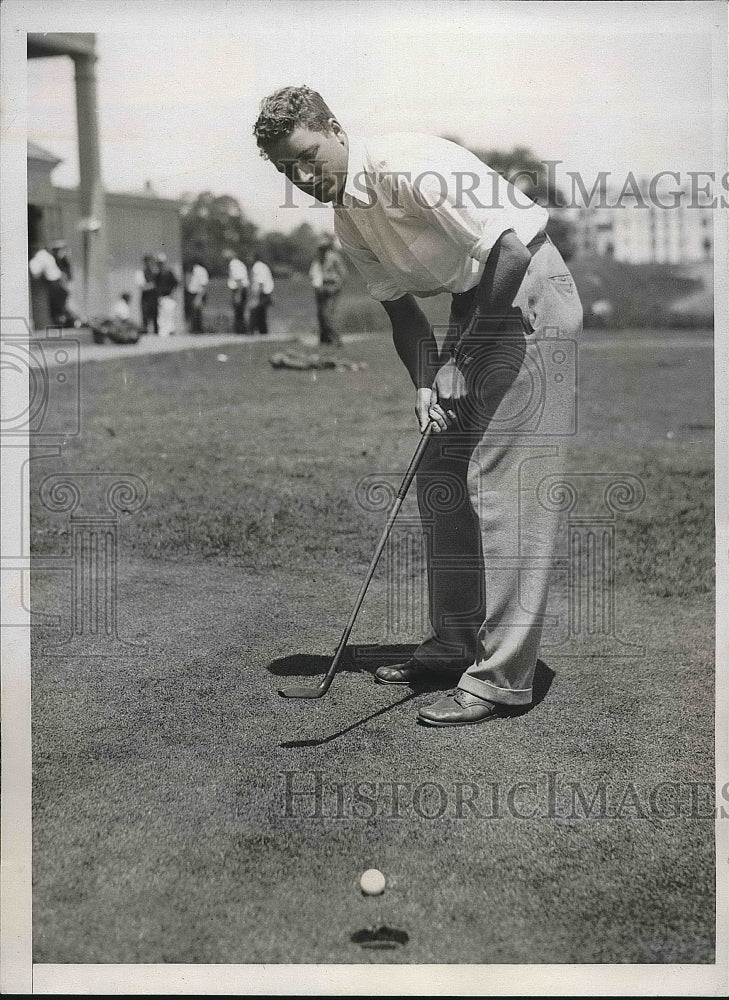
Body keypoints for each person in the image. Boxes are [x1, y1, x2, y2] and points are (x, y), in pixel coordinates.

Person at [254, 86, 583, 728]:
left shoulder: (406, 166)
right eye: (283, 169)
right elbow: (402, 313)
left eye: (306, 156)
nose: (300, 176)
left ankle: (503, 677)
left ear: (334, 129)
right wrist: (427, 379)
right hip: (481, 302)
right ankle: (455, 644)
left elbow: (511, 252)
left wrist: (466, 356)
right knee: (438, 476)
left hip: (530, 295)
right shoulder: (347, 217)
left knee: (500, 481)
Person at [309, 234, 347, 345]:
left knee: (327, 314)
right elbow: (314, 274)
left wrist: (336, 288)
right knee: (320, 314)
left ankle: (336, 339)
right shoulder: (318, 259)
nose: (321, 250)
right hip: (321, 287)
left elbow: (344, 274)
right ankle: (324, 340)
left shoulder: (334, 258)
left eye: (323, 247)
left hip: (332, 287)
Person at [29, 244, 69, 326]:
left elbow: (35, 273)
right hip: (58, 281)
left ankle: (60, 322)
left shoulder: (40, 256)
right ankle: (62, 321)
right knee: (60, 305)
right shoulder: (46, 255)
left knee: (55, 307)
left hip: (53, 282)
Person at [224, 249, 250, 334]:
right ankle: (241, 330)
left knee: (239, 311)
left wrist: (238, 294)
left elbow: (239, 280)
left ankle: (241, 331)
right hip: (241, 289)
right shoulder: (238, 263)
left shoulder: (234, 264)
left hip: (239, 289)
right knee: (239, 311)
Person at [249, 252, 274, 335]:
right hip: (265, 292)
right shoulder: (262, 266)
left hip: (262, 293)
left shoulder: (257, 267)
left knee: (255, 311)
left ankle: (252, 331)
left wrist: (256, 296)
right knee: (261, 314)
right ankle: (262, 331)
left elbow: (260, 282)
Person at [155, 252, 179, 337]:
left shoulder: (169, 273)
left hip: (169, 297)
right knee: (162, 316)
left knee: (170, 315)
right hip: (162, 297)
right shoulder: (157, 275)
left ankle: (170, 331)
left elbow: (176, 283)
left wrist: (173, 294)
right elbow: (157, 287)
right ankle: (164, 332)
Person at [135, 254, 159, 334]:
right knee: (145, 317)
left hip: (154, 297)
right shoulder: (140, 273)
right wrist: (153, 285)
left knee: (156, 317)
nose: (150, 264)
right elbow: (143, 287)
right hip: (146, 298)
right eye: (148, 262)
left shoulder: (155, 273)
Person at [184, 257, 210, 334]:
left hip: (198, 293)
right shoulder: (188, 271)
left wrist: (199, 298)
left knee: (197, 313)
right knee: (191, 313)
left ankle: (199, 330)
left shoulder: (200, 271)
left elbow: (204, 285)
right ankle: (193, 330)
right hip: (190, 294)